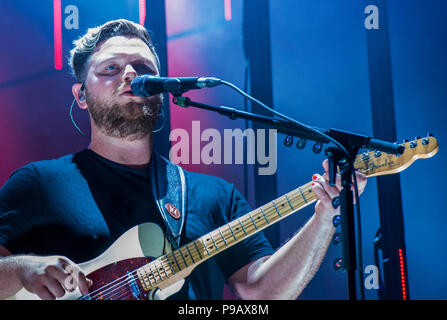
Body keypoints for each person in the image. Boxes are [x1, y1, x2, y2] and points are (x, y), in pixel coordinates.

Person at [0, 19, 367, 300]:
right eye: (111, 69)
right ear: (81, 96)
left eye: (143, 69)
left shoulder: (213, 195)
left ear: (161, 87)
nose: (130, 75)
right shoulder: (39, 183)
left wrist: (324, 216)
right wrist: (21, 268)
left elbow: (261, 294)